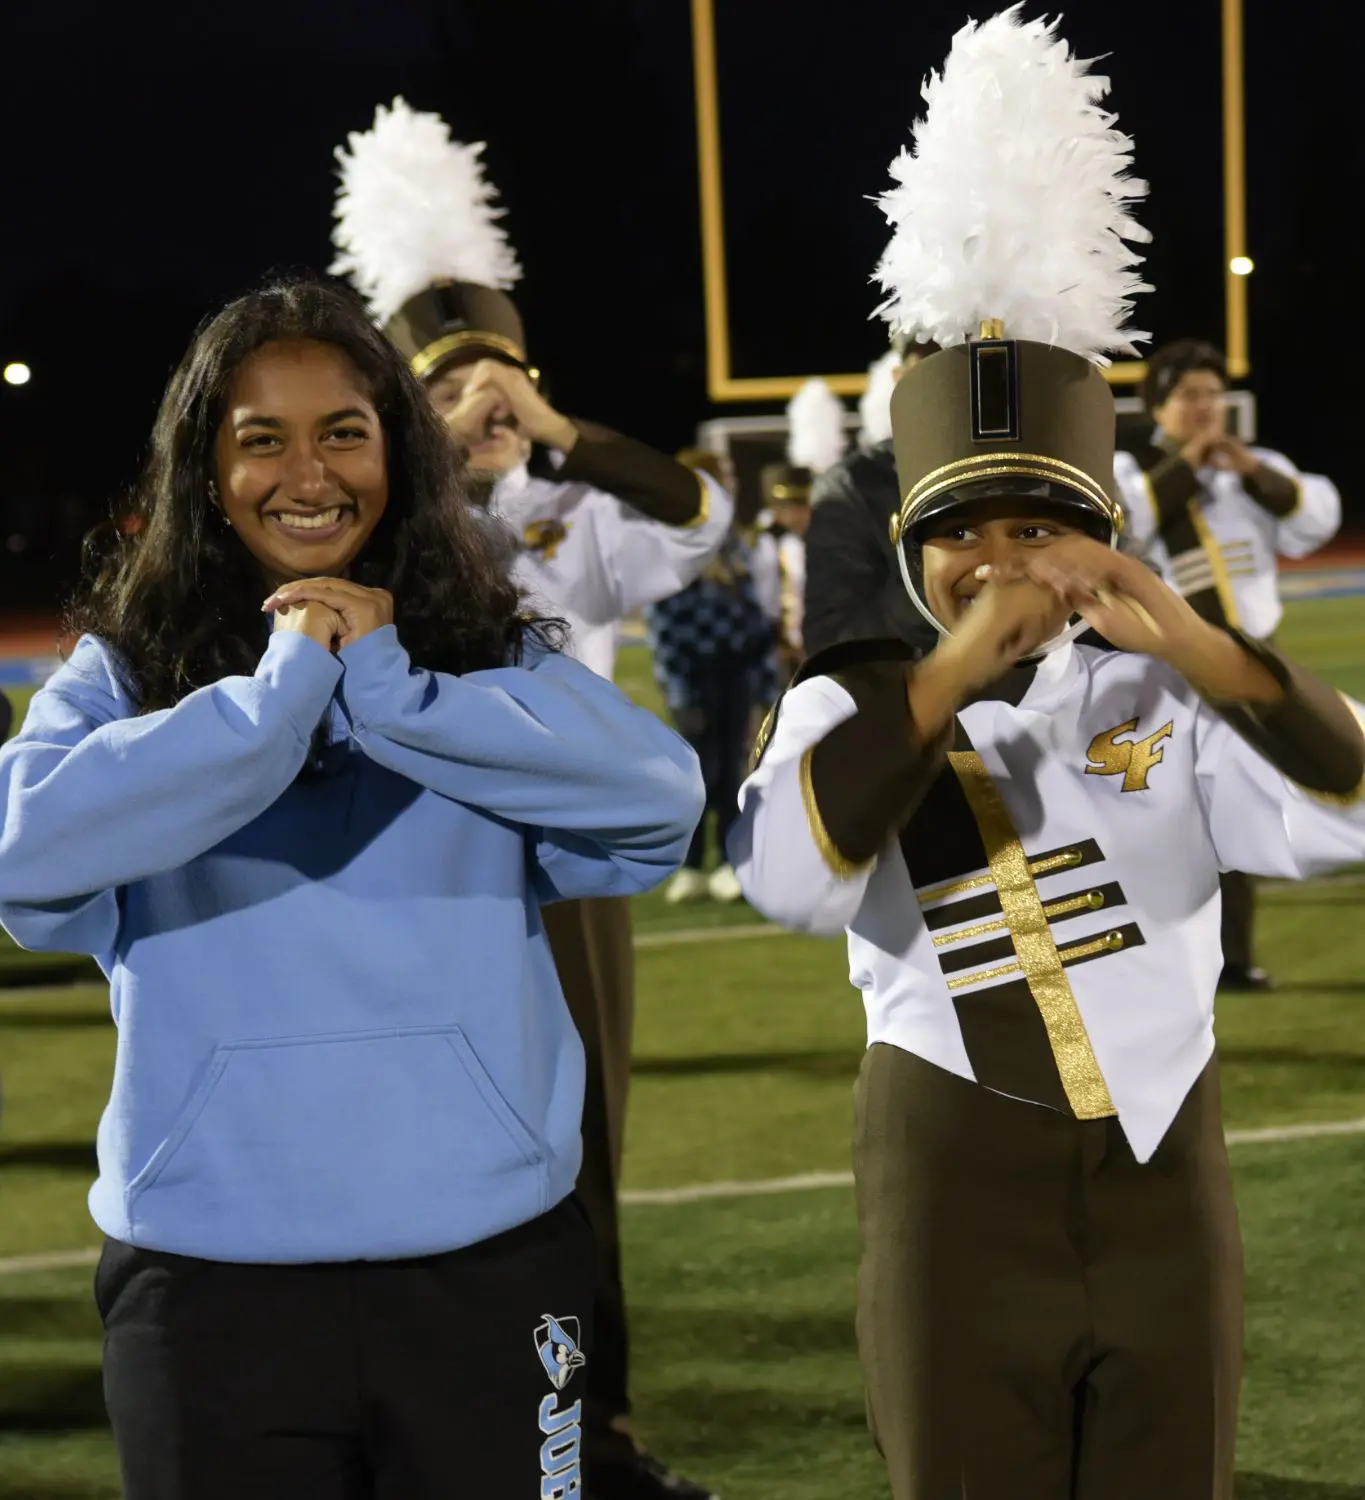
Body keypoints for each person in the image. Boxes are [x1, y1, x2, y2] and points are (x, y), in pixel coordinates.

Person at [727, 13, 1365, 1499]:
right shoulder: (858, 700)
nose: (1000, 563)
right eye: (962, 531)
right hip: (952, 1166)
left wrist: (1191, 640)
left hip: (1166, 1161)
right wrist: (947, 674)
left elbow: (1347, 811)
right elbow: (787, 879)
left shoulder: (1167, 699)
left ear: (1100, 535)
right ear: (908, 545)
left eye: (1040, 528)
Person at [0, 277, 703, 1500]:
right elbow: (19, 856)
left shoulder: (479, 648)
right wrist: (272, 706)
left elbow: (660, 799)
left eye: (344, 433)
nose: (305, 474)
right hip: (208, 1286)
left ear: (399, 453)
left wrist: (391, 691)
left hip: (488, 1272)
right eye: (259, 439)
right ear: (203, 470)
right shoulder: (128, 667)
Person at [331, 98, 728, 1500]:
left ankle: (582, 1429)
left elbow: (700, 518)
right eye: (445, 389)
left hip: (558, 879)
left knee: (579, 1159)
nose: (478, 408)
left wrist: (555, 434)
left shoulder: (581, 511)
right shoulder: (384, 513)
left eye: (497, 379)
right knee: (412, 1146)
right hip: (409, 871)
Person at [1112, 338, 1342, 991]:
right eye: (1188, 395)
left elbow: (1313, 519)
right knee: (1165, 809)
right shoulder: (1130, 469)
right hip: (1167, 674)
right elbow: (1128, 526)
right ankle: (1156, 951)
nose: (1205, 407)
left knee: (1240, 809)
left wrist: (1249, 474)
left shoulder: (1253, 467)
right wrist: (1185, 465)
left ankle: (1232, 959)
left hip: (1253, 664)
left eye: (1212, 394)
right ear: (1158, 405)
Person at [646, 450, 778, 905]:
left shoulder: (734, 537)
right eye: (717, 477)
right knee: (698, 772)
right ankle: (691, 866)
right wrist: (678, 688)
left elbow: (754, 613)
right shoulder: (675, 538)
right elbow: (662, 618)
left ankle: (726, 860)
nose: (728, 486)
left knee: (733, 769)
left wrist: (764, 681)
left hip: (735, 669)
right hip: (695, 671)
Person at [802, 338, 941, 656]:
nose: (948, 385)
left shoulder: (1050, 467)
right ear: (899, 378)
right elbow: (831, 647)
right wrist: (940, 580)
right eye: (931, 370)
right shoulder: (853, 486)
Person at [751, 378, 848, 681]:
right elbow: (764, 597)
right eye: (787, 507)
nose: (794, 514)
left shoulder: (831, 535)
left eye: (798, 505)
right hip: (780, 646)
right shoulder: (768, 540)